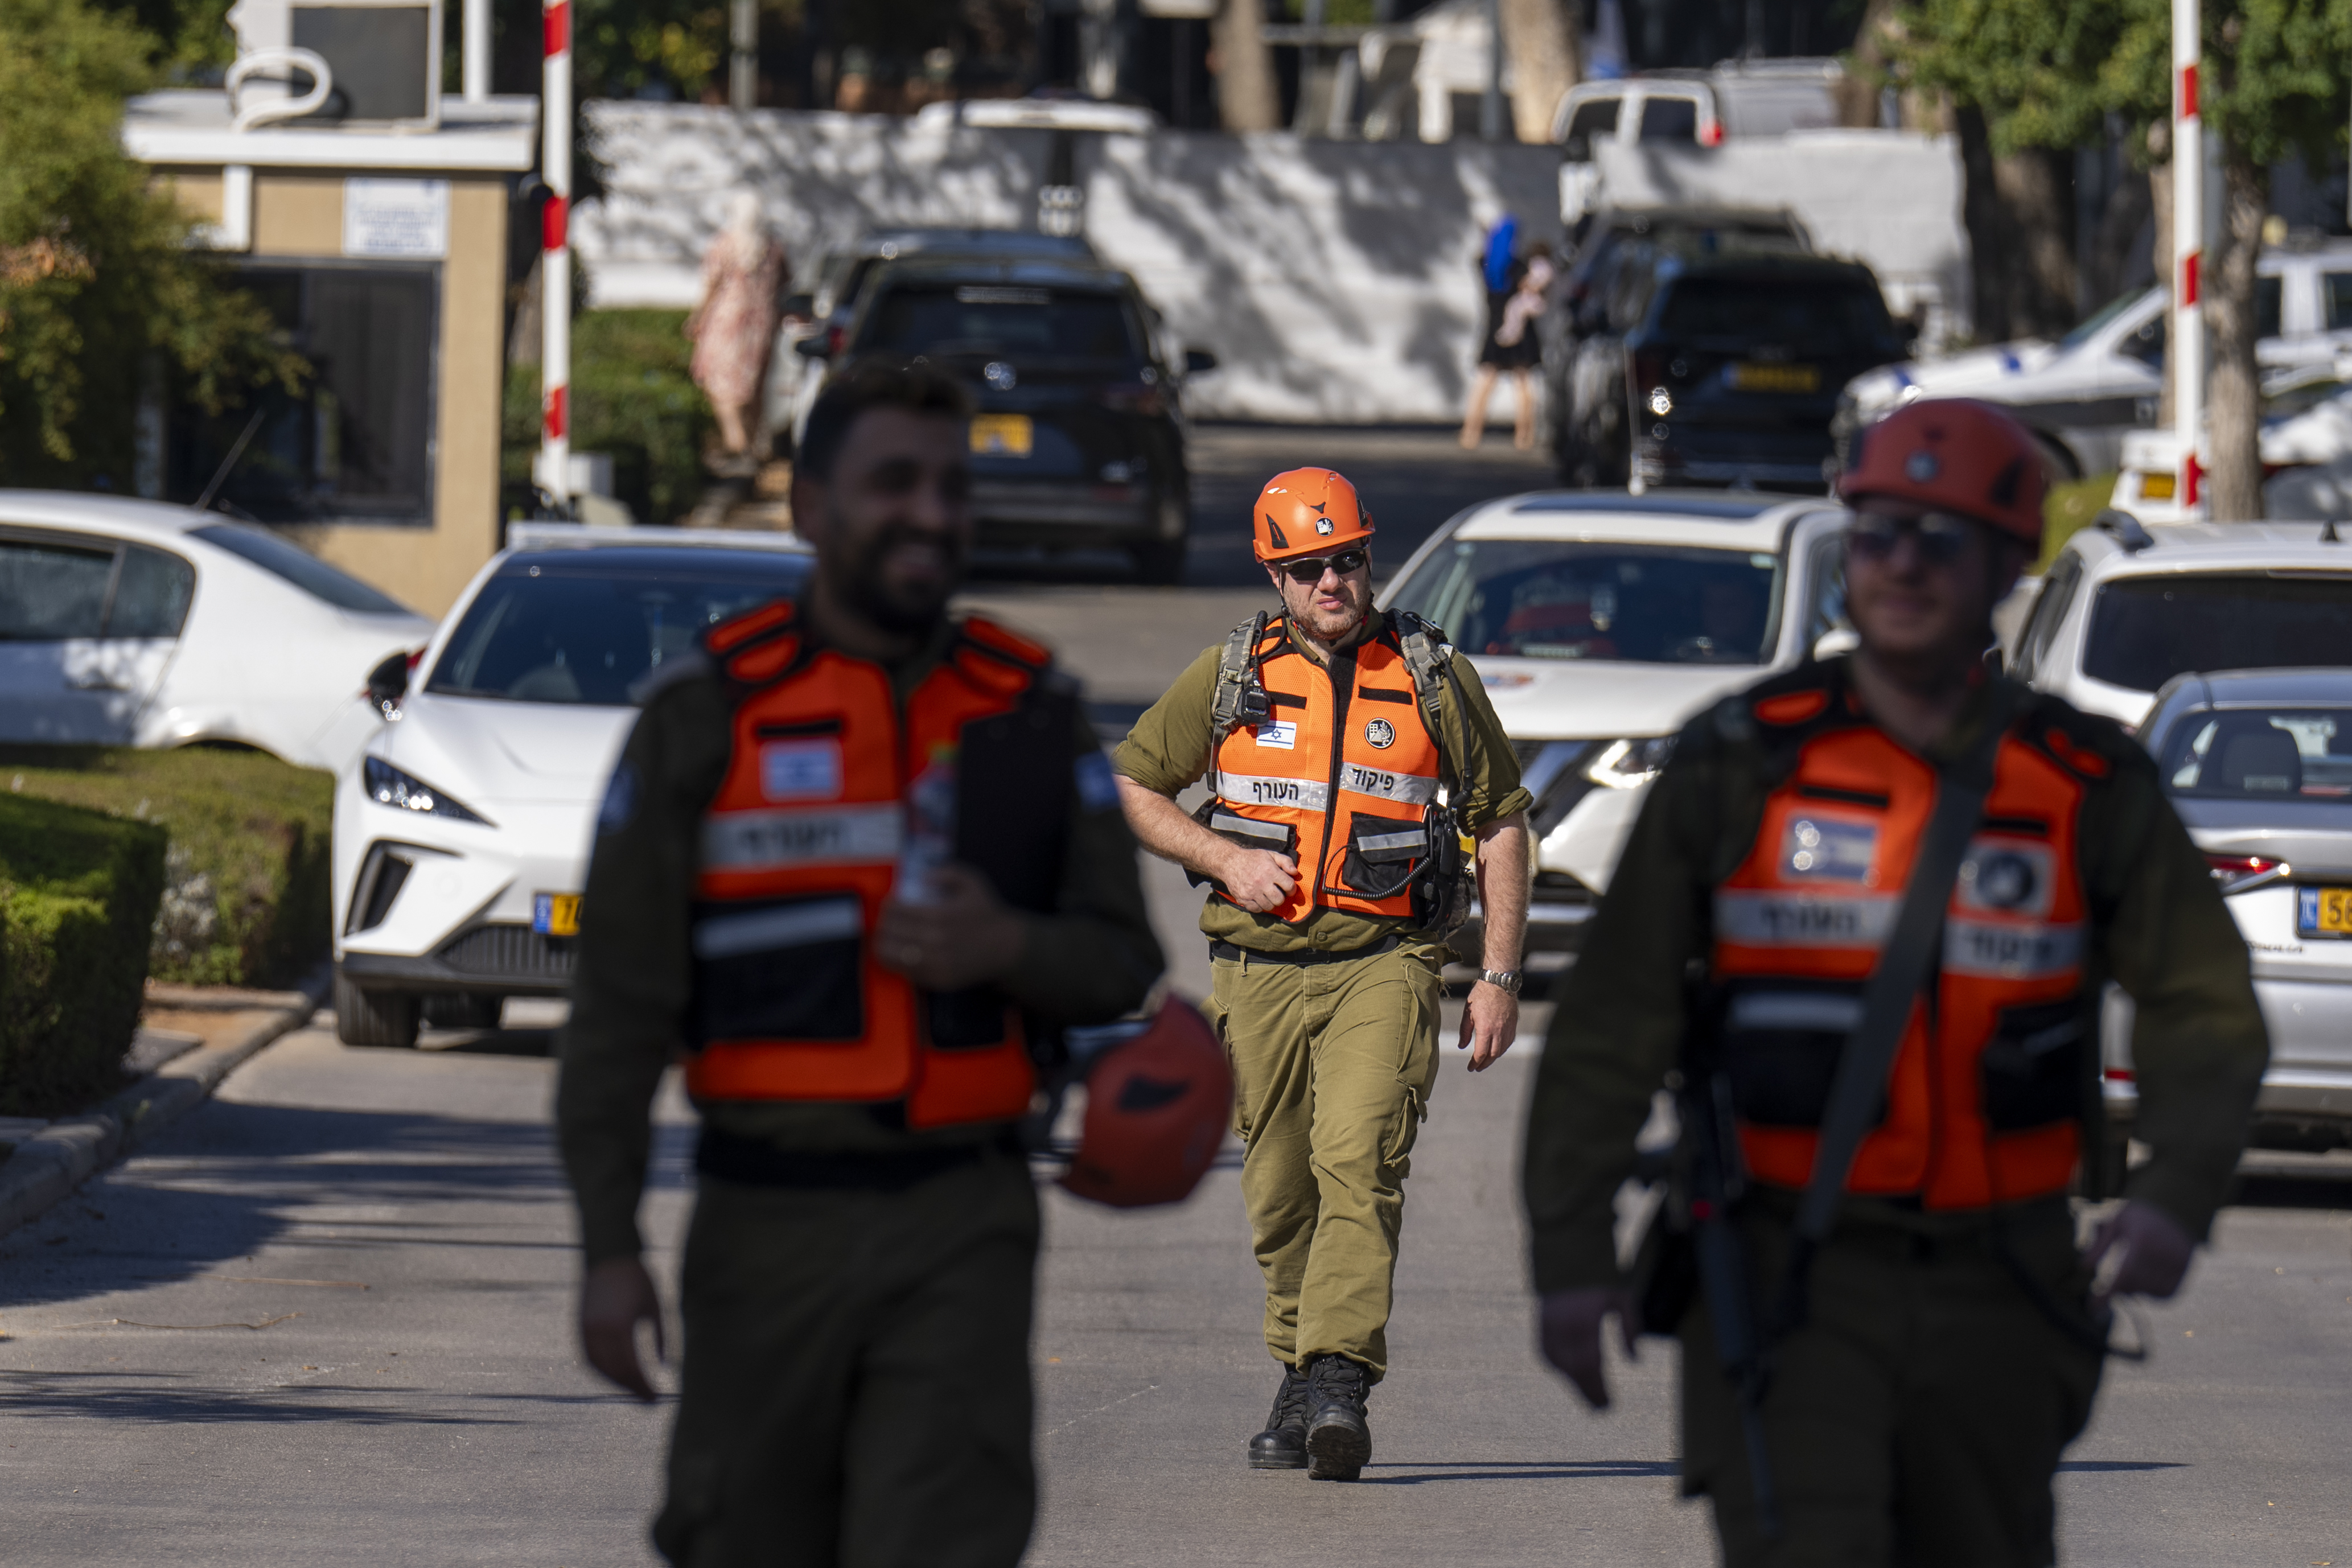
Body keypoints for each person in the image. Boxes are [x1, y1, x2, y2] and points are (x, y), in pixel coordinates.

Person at [1522, 398, 2270, 1566]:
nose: (1902, 564)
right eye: (1877, 533)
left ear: (2005, 563)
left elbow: (2202, 1005)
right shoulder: (1738, 764)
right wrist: (1568, 1263)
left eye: (1942, 537)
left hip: (2001, 1286)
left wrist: (2176, 1191)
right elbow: (1609, 1029)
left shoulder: (2081, 783)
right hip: (1786, 1282)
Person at [557, 359, 1165, 1567]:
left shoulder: (1028, 710)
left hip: (964, 1220)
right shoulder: (706, 718)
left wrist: (1007, 946)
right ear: (809, 505)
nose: (931, 514)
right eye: (895, 483)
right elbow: (618, 1015)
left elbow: (1119, 962)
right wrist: (609, 1250)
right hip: (764, 1220)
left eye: (951, 487)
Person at [1112, 467, 1533, 1481]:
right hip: (1254, 971)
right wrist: (1223, 859)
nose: (1331, 583)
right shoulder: (1228, 675)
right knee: (1279, 1186)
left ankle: (1339, 1376)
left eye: (1347, 560)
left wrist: (1497, 974)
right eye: (1308, 568)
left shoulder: (1431, 674)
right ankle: (1299, 1370)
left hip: (1380, 964)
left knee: (1359, 1153)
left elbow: (1503, 821)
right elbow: (1132, 781)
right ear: (1276, 574)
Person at [686, 190, 789, 471]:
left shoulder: (724, 244)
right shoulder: (773, 247)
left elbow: (712, 284)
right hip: (760, 325)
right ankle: (754, 445)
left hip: (727, 321)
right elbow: (786, 282)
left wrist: (698, 317)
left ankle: (737, 442)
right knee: (753, 384)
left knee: (717, 379)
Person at [1461, 227, 1545, 451]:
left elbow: (1482, 256)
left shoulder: (1487, 266)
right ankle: (1525, 436)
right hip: (1522, 334)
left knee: (1484, 383)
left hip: (1494, 329)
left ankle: (1470, 433)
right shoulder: (1519, 266)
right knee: (1523, 384)